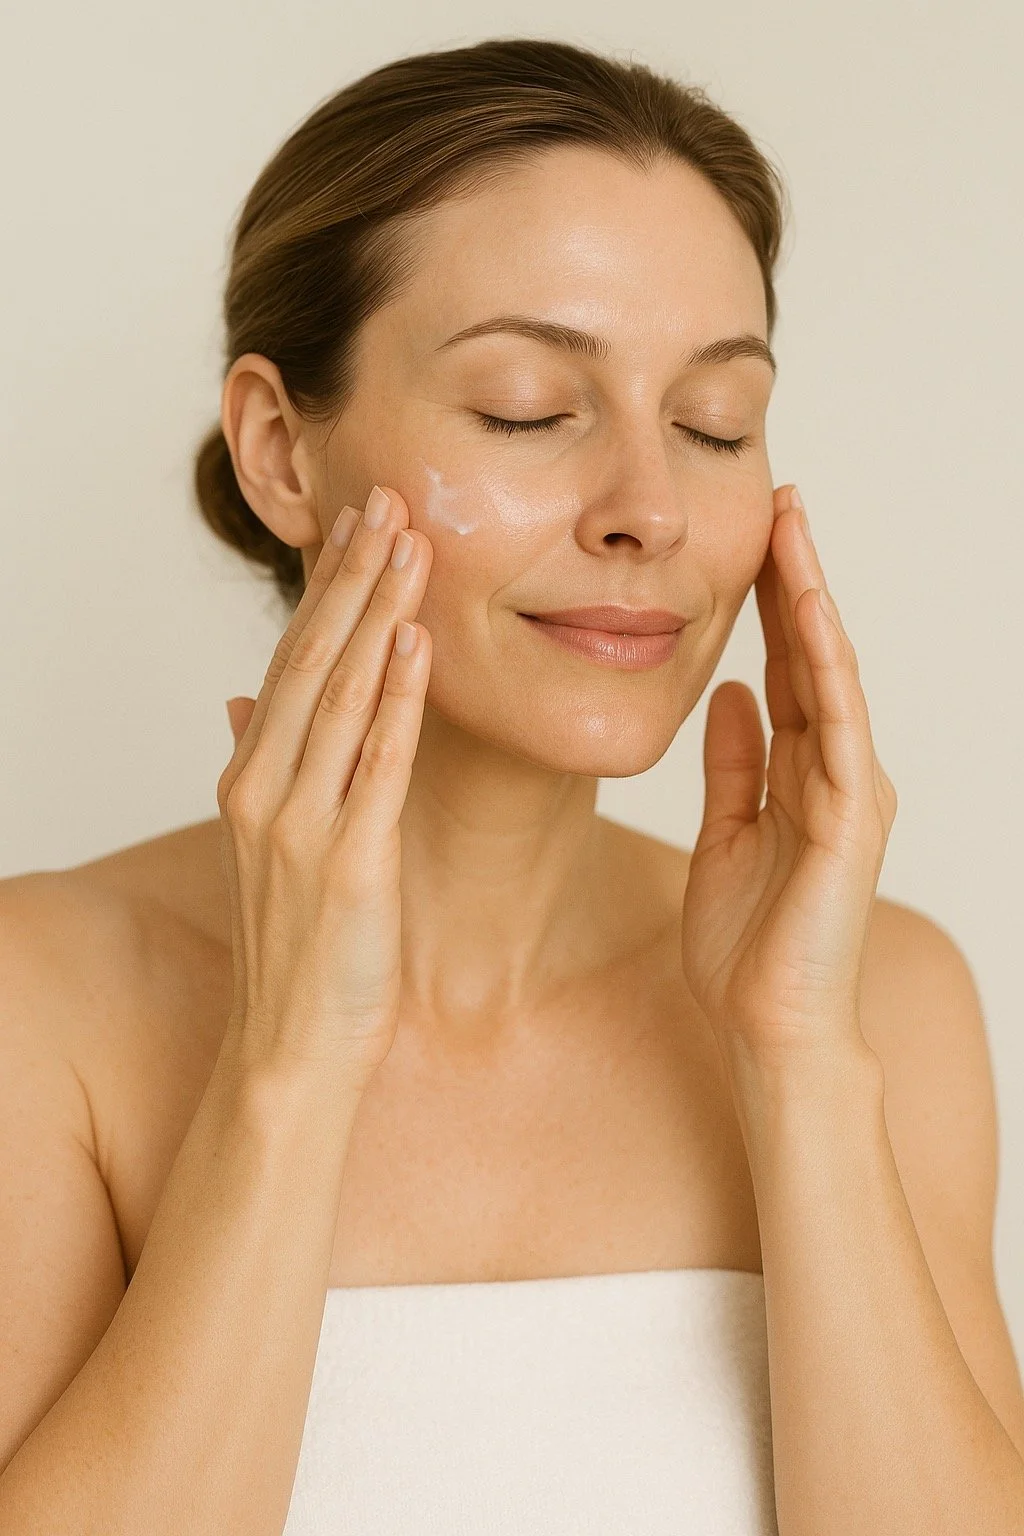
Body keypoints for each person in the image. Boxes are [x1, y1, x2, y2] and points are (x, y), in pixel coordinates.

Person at [6, 34, 1019, 1536]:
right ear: (284, 451)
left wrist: (801, 1060)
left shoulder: (889, 1002)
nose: (651, 510)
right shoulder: (45, 1011)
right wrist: (292, 1060)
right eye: (531, 409)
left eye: (715, 423)